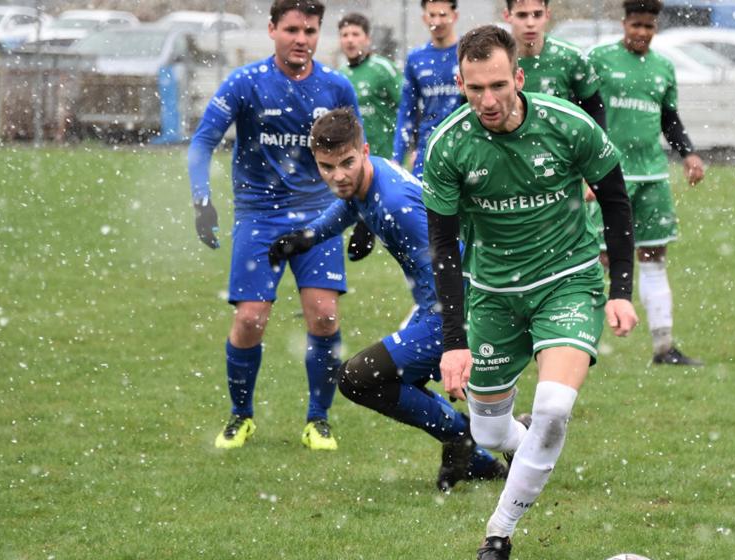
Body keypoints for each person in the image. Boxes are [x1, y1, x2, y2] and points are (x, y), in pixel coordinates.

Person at [422, 25, 638, 560]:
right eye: (474, 89)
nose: (488, 101)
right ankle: (526, 447)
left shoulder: (568, 126)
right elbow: (444, 246)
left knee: (555, 408)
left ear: (518, 77)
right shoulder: (448, 146)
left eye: (498, 85)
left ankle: (497, 537)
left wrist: (619, 292)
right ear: (460, 84)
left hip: (567, 282)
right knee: (490, 435)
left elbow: (615, 201)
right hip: (493, 298)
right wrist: (455, 341)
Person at [268, 108, 507, 491]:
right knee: (386, 379)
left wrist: (455, 340)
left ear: (362, 150)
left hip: (457, 309)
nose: (338, 176)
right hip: (436, 306)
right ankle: (480, 456)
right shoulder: (370, 174)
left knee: (358, 378)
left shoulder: (398, 207)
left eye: (347, 163)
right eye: (327, 167)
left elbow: (454, 265)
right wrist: (307, 236)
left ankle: (472, 436)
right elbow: (348, 204)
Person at [186, 0, 361, 452]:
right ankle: (241, 416)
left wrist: (365, 213)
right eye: (291, 30)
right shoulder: (246, 83)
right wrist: (202, 201)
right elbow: (203, 140)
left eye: (309, 30)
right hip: (259, 215)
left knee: (323, 316)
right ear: (271, 30)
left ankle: (318, 420)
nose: (301, 39)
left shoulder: (337, 87)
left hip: (319, 215)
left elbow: (359, 152)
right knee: (249, 320)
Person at [588, 0, 706, 366]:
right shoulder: (599, 60)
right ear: (624, 23)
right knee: (600, 258)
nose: (641, 33)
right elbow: (585, 109)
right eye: (636, 25)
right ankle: (578, 342)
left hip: (652, 174)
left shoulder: (663, 67)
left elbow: (669, 118)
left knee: (654, 256)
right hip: (610, 175)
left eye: (649, 27)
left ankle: (664, 347)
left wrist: (688, 153)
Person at [337, 12, 402, 262]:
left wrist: (407, 143)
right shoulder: (341, 75)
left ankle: (366, 229)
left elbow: (405, 106)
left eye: (355, 34)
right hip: (353, 157)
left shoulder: (382, 69)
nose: (350, 40)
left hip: (382, 156)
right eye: (345, 35)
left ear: (367, 39)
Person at [503, 0, 604, 123]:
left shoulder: (570, 57)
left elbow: (594, 109)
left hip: (557, 141)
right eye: (522, 15)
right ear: (507, 16)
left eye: (537, 14)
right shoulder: (496, 59)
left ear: (547, 14)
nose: (530, 23)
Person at [393, 0, 463, 178]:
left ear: (455, 16)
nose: (437, 22)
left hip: (464, 144)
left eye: (443, 15)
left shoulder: (466, 53)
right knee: (421, 203)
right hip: (428, 146)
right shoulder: (416, 58)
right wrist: (397, 157)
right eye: (432, 15)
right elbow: (407, 111)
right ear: (424, 18)